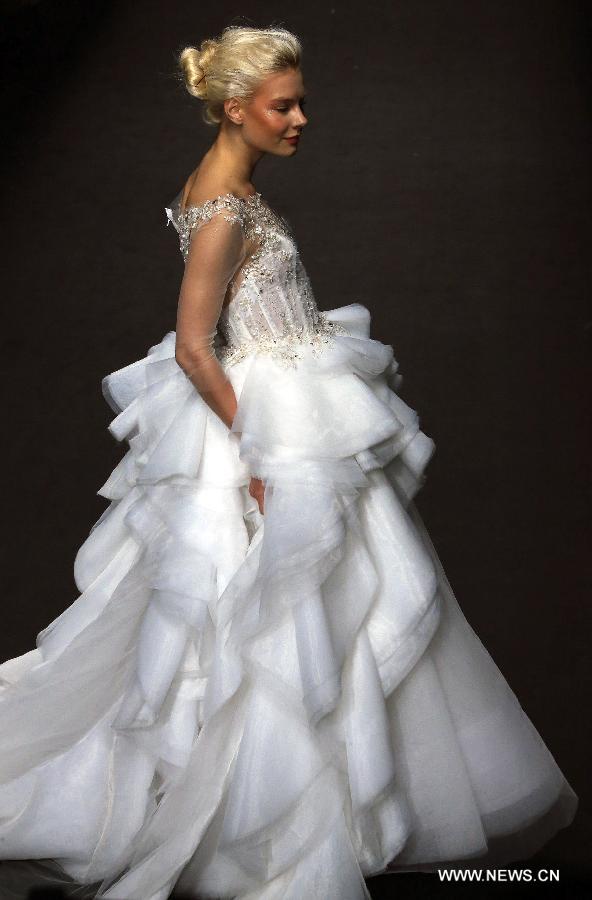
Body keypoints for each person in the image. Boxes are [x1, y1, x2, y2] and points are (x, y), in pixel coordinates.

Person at [0, 23, 578, 900]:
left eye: (301, 100)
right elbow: (197, 348)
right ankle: (267, 833)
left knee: (331, 612)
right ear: (236, 110)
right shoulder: (224, 206)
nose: (301, 117)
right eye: (284, 105)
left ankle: (340, 811)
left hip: (296, 400)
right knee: (275, 628)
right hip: (268, 421)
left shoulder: (233, 187)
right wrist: (260, 449)